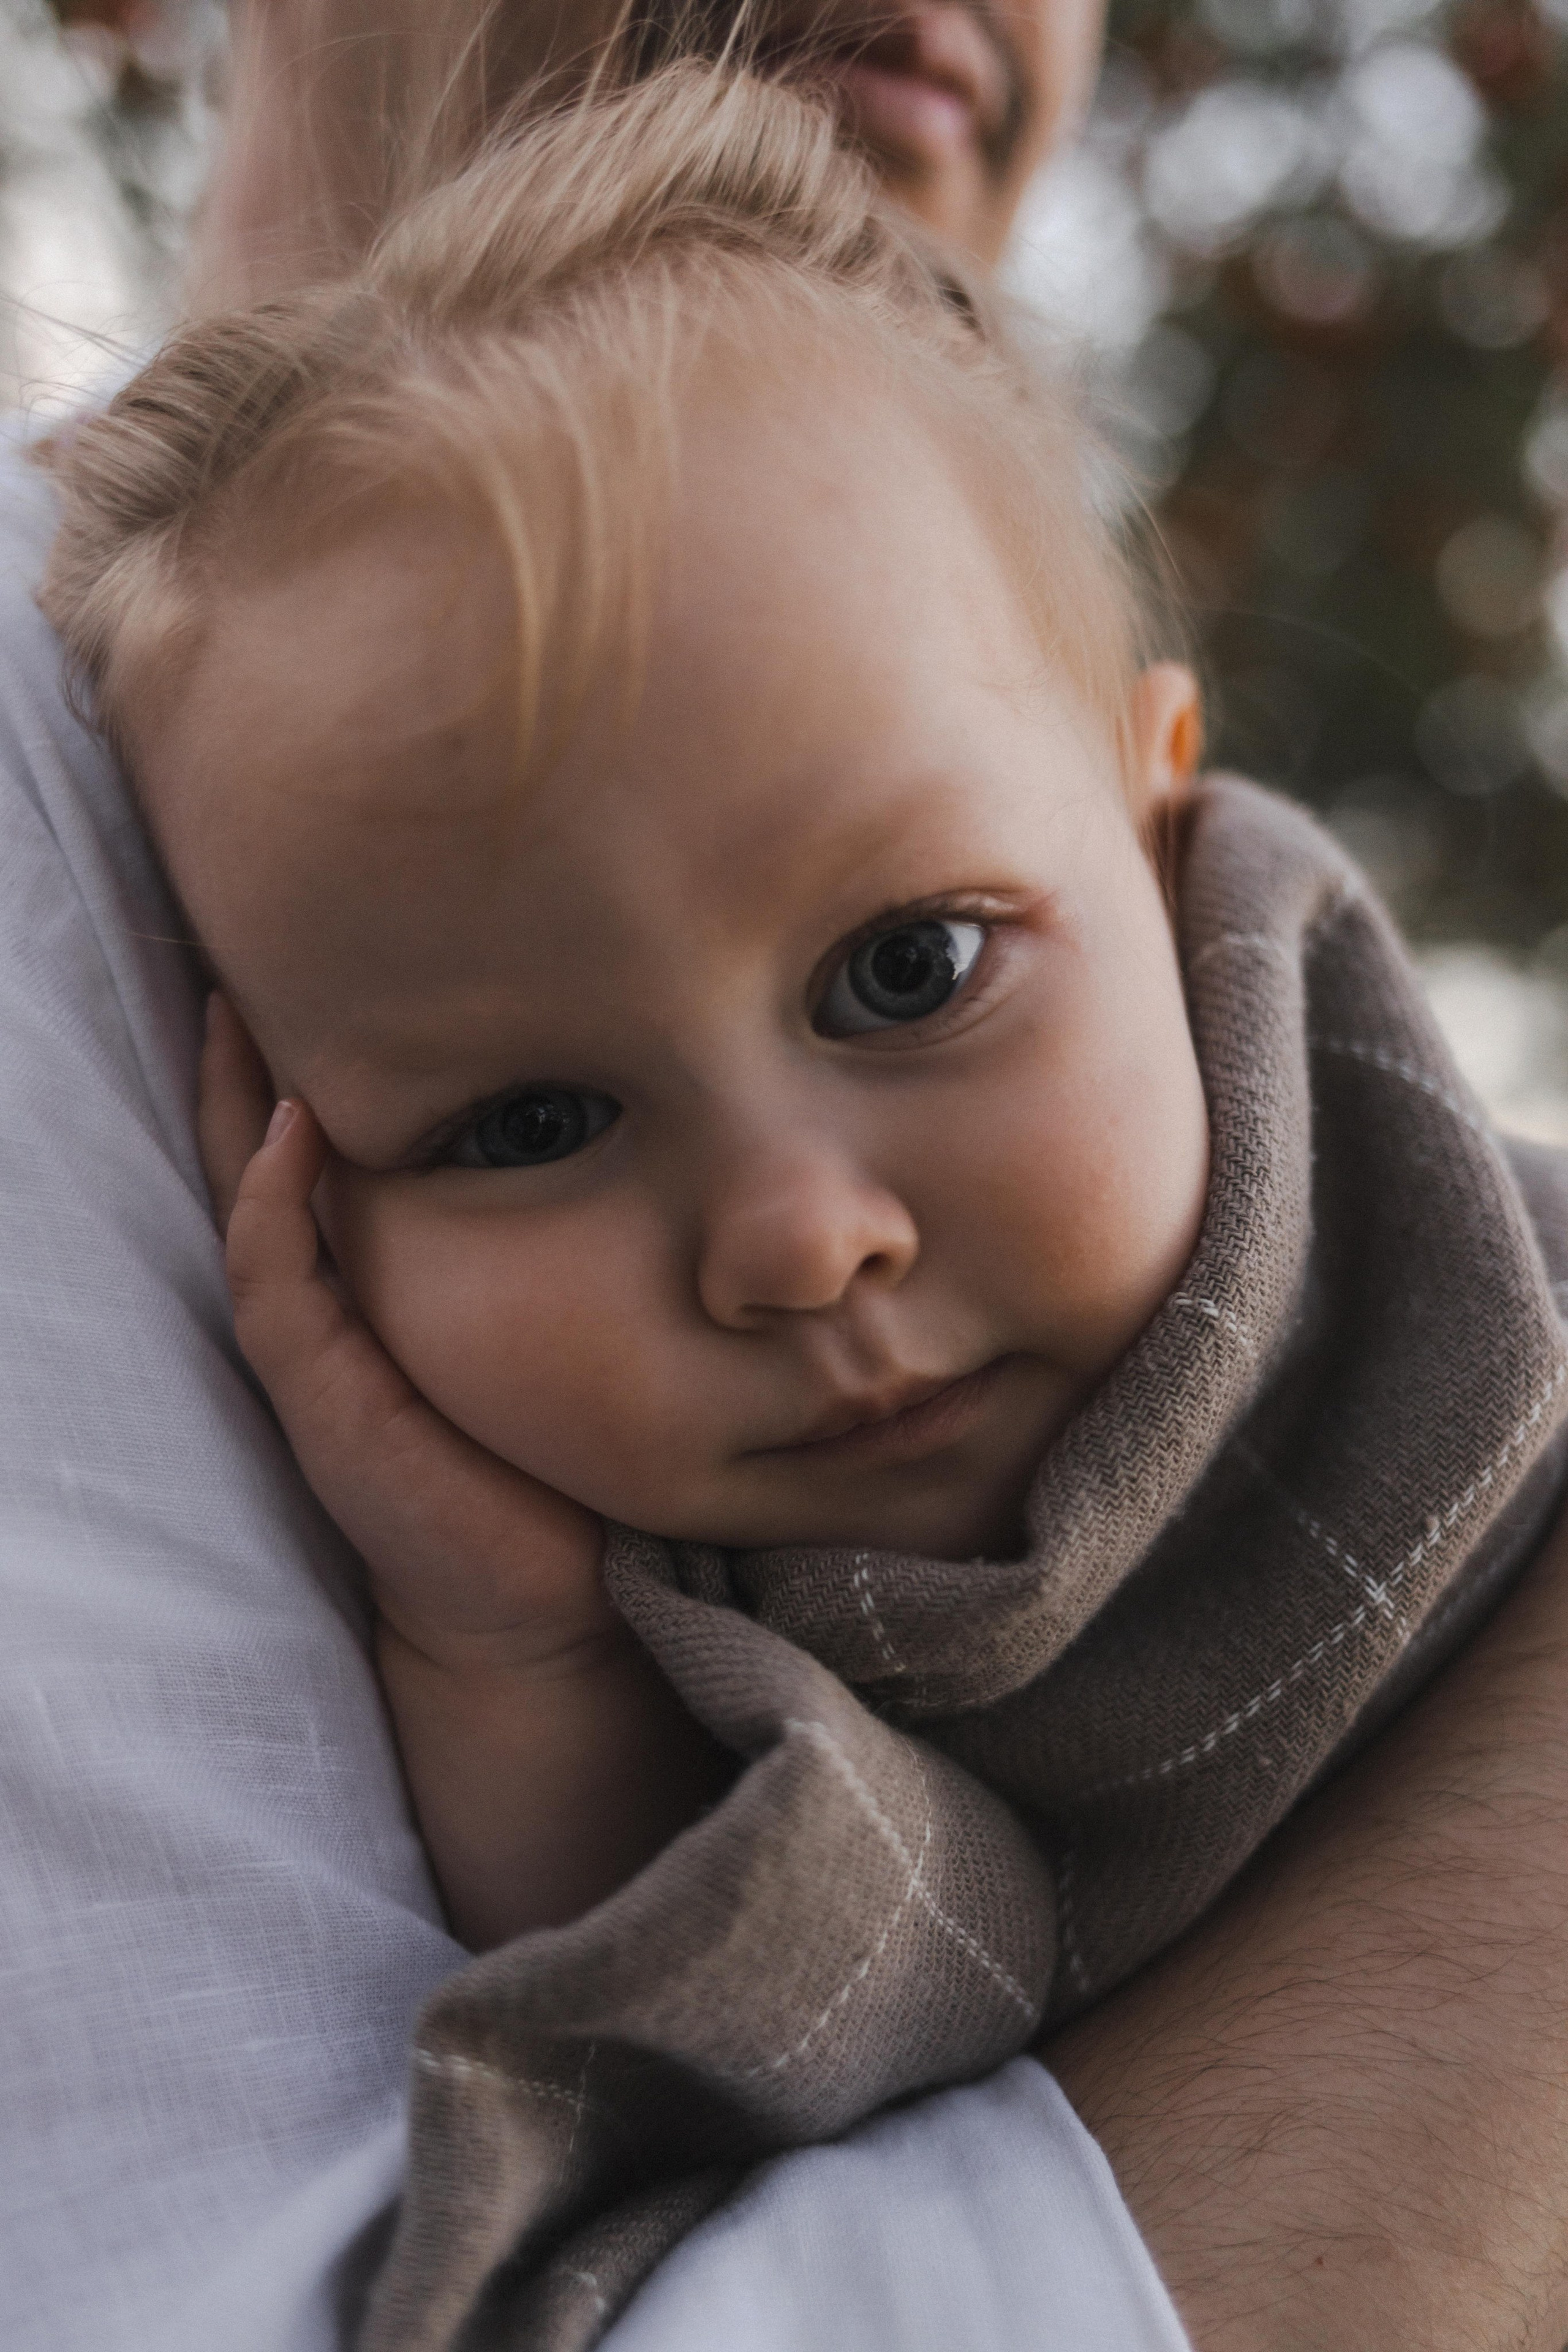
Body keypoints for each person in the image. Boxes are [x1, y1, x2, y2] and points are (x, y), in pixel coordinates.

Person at [2, 6, 1568, 2350]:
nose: (800, 1239)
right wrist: (512, 1646)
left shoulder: (1449, 1278)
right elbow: (666, 2029)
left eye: (910, 971)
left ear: (1156, 826)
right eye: (527, 1126)